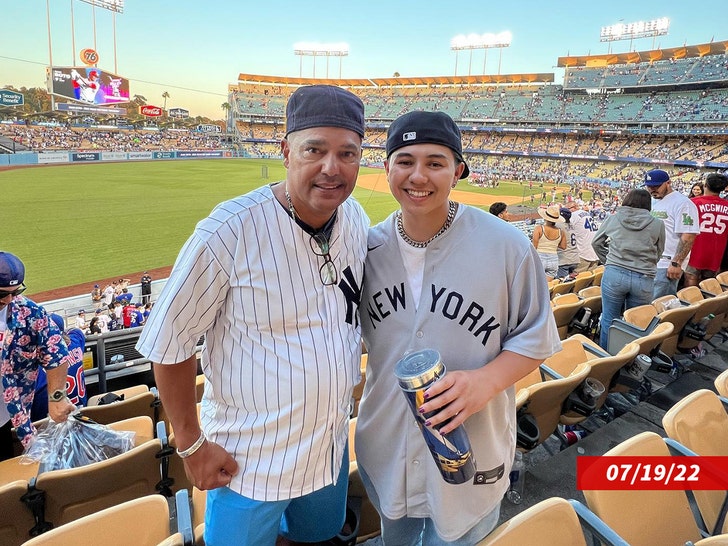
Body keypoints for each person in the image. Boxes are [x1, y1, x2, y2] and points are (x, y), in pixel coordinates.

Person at [136, 85, 369, 545]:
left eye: (348, 153)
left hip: (328, 449)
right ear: (285, 152)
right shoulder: (229, 229)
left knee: (317, 537)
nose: (331, 167)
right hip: (248, 462)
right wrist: (191, 445)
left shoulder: (356, 218)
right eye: (314, 150)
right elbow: (169, 340)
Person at [356, 111, 561, 545]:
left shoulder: (507, 245)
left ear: (458, 171)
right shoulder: (364, 248)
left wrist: (487, 381)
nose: (418, 176)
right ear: (387, 167)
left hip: (475, 454)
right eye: (405, 160)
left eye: (435, 162)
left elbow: (537, 336)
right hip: (386, 447)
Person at [0, 252, 75, 460]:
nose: (8, 300)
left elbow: (56, 353)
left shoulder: (28, 312)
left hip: (4, 418)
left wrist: (57, 398)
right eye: (1, 294)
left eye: (15, 292)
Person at [591, 189, 666, 349]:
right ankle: (629, 357)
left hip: (614, 274)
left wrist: (609, 261)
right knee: (636, 322)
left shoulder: (614, 218)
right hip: (644, 277)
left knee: (609, 320)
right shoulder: (658, 224)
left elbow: (596, 243)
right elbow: (659, 251)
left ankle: (607, 360)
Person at [645, 169, 701, 298]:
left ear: (668, 183)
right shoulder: (653, 200)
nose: (653, 189)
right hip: (650, 262)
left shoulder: (683, 203)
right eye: (649, 186)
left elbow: (689, 235)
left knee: (660, 305)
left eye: (656, 186)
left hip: (667, 263)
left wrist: (677, 263)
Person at [31, 313, 88, 422]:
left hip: (51, 423)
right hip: (81, 412)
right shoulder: (76, 342)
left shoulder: (37, 366)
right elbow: (76, 331)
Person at [684, 173, 728, 287]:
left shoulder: (694, 202)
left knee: (690, 281)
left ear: (705, 185)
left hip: (695, 248)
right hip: (716, 251)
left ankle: (691, 304)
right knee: (708, 286)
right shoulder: (727, 205)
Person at [532, 205, 567, 280]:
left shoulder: (539, 229)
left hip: (540, 257)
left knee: (537, 283)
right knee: (548, 285)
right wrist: (552, 244)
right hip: (553, 259)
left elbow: (534, 246)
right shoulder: (561, 231)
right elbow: (563, 246)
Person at [566, 201, 600, 273]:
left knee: (577, 279)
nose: (567, 211)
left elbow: (565, 229)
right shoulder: (588, 214)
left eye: (568, 209)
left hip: (583, 253)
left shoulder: (574, 215)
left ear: (574, 207)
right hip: (594, 252)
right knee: (589, 279)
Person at [556, 207, 579, 279]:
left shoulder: (558, 225)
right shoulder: (572, 225)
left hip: (564, 259)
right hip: (574, 258)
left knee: (562, 284)